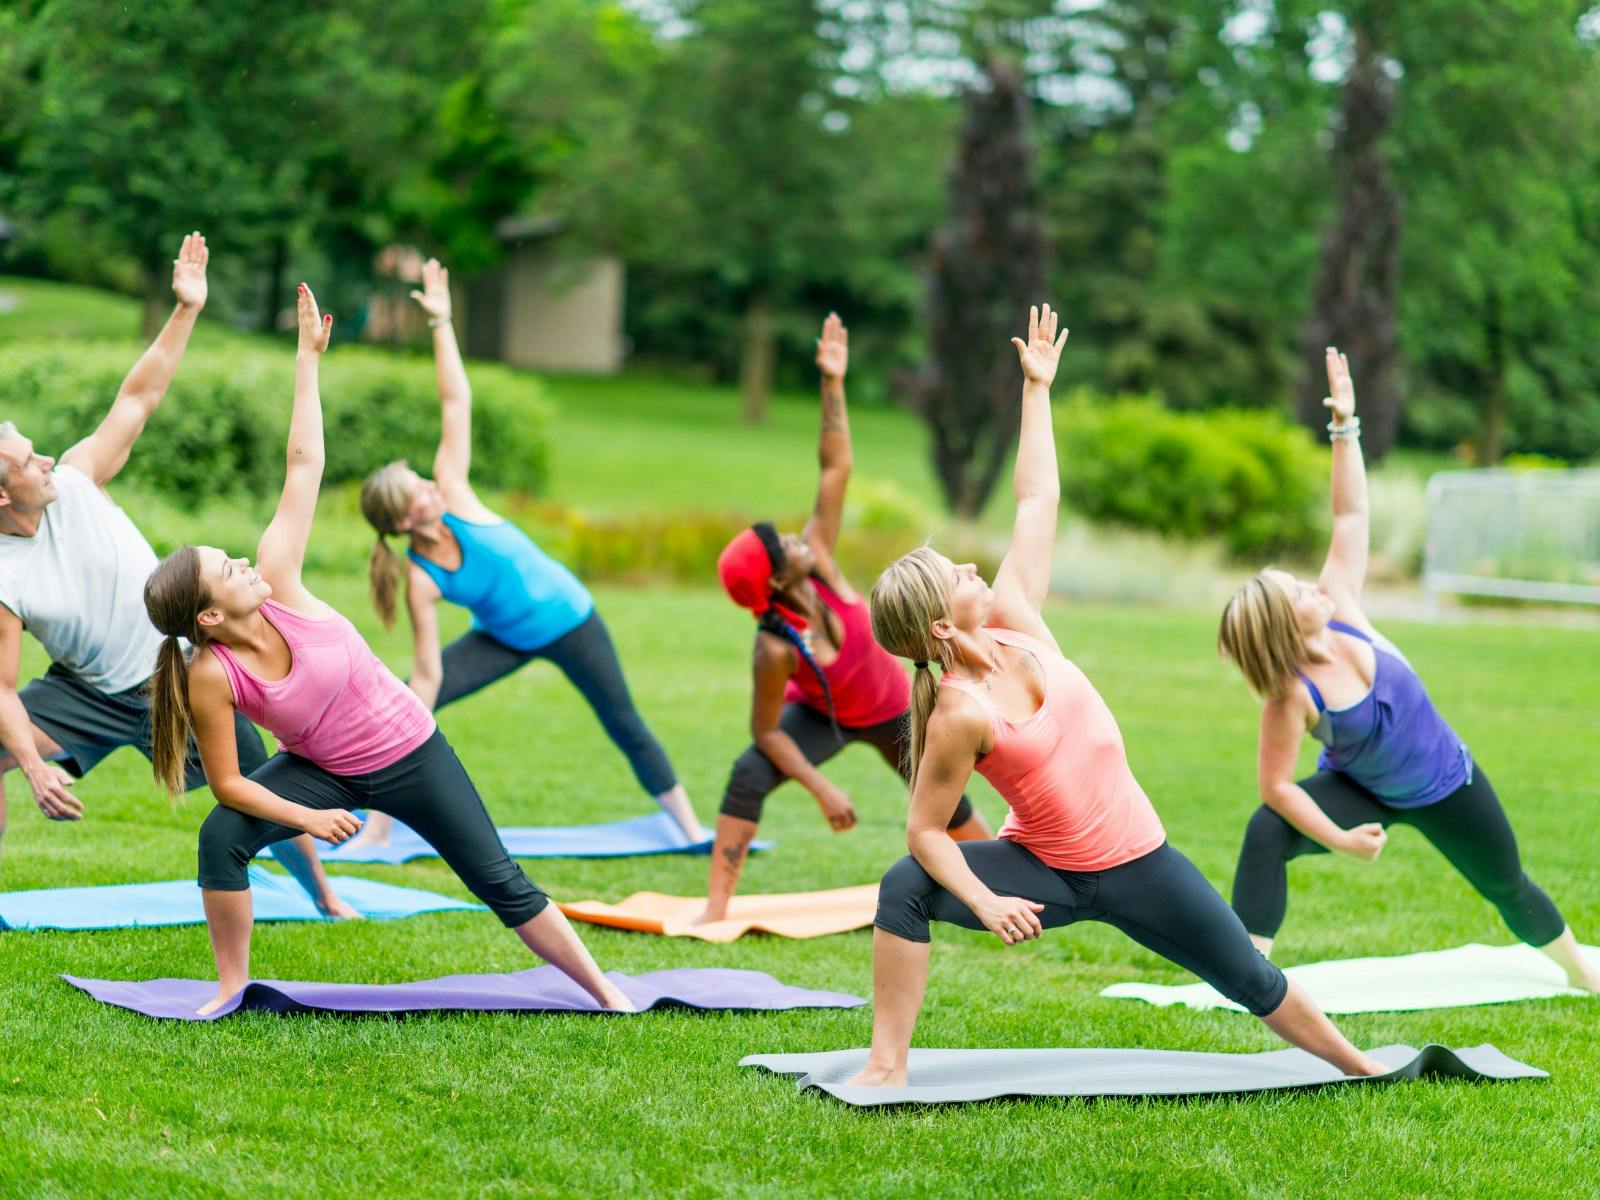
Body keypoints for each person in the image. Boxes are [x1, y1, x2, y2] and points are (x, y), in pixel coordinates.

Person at [849, 306, 1385, 1087]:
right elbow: (925, 835)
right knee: (904, 889)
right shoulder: (960, 711)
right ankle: (885, 1065)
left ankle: (1363, 1069)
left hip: (1142, 862)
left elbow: (1038, 502)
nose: (972, 568)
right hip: (1049, 872)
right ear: (937, 625)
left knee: (1250, 980)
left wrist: (1036, 392)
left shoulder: (1014, 618)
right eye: (956, 575)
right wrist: (986, 900)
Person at [143, 282, 630, 1015]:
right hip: (324, 774)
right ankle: (230, 988)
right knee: (222, 837)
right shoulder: (211, 674)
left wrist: (308, 360)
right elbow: (231, 785)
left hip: (413, 753)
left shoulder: (279, 580)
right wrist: (305, 818)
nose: (245, 562)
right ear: (209, 614)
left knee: (498, 880)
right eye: (227, 568)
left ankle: (606, 992)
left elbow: (302, 464)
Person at [1217, 347, 1598, 990]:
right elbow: (1276, 788)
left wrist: (1346, 427)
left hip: (1445, 780)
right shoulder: (1291, 697)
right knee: (1267, 831)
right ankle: (1247, 973)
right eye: (1298, 594)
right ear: (1286, 627)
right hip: (1363, 787)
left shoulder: (1342, 606)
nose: (1314, 588)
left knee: (1506, 883)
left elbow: (1350, 515)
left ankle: (1581, 969)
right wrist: (1341, 841)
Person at [0, 232, 349, 915]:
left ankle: (328, 901)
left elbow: (140, 397)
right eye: (26, 462)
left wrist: (186, 308)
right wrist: (37, 768)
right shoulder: (3, 578)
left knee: (257, 782)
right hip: (88, 691)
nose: (44, 461)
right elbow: (2, 690)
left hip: (179, 674)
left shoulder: (76, 479)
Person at [353, 258, 701, 850]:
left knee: (624, 724)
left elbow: (455, 403)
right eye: (421, 492)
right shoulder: (421, 577)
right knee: (406, 705)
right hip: (505, 637)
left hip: (571, 620)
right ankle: (378, 827)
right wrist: (413, 709)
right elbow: (431, 670)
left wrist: (443, 324)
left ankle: (691, 829)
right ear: (407, 519)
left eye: (426, 482)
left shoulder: (457, 494)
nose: (433, 487)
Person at [702, 313, 991, 923]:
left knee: (946, 803)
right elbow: (767, 732)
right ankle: (714, 909)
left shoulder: (822, 564)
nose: (796, 536)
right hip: (825, 718)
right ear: (778, 579)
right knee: (748, 773)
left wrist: (832, 381)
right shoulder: (773, 646)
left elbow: (835, 469)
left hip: (891, 707)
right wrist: (820, 787)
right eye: (785, 544)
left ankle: (991, 889)